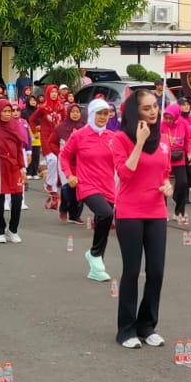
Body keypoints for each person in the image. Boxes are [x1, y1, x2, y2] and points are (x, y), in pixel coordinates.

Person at [112, 89, 173, 348]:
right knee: (132, 271)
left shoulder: (163, 138)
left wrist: (168, 186)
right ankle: (126, 330)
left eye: (155, 106)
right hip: (130, 212)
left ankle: (147, 326)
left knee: (156, 271)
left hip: (156, 210)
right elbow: (125, 174)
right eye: (146, 108)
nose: (153, 112)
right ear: (135, 111)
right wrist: (138, 142)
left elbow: (165, 172)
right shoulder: (120, 139)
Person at [60, 98, 118, 281]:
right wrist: (69, 175)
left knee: (104, 222)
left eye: (106, 113)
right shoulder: (79, 135)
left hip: (108, 185)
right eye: (99, 113)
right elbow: (64, 155)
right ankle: (95, 255)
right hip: (87, 184)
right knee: (106, 214)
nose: (103, 117)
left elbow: (121, 159)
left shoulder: (112, 136)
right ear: (91, 114)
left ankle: (96, 266)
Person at [0, 98, 28, 243]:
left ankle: (13, 230)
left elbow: (19, 149)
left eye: (10, 111)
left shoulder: (15, 126)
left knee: (17, 198)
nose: (8, 114)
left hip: (14, 167)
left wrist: (23, 169)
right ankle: (0, 230)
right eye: (5, 111)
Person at [52, 103, 85, 223]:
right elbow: (52, 142)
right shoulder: (60, 128)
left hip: (80, 162)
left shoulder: (85, 127)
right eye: (73, 112)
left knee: (80, 188)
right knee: (67, 187)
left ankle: (75, 215)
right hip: (65, 161)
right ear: (68, 113)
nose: (75, 114)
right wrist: (59, 153)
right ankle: (64, 208)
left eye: (77, 112)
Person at [163, 102, 191, 224]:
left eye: (170, 118)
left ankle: (179, 211)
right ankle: (163, 211)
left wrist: (189, 154)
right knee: (162, 184)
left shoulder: (183, 124)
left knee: (183, 183)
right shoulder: (162, 125)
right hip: (164, 156)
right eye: (166, 118)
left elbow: (187, 140)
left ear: (176, 116)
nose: (168, 120)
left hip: (179, 156)